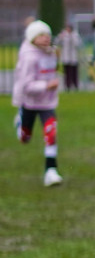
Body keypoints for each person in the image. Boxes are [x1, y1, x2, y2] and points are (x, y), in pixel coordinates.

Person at [13, 21, 64, 187]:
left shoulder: (51, 53)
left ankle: (51, 170)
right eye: (41, 35)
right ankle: (20, 123)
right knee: (24, 138)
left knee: (51, 132)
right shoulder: (29, 57)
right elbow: (26, 86)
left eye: (47, 35)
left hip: (47, 103)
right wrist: (46, 86)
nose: (45, 38)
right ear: (33, 38)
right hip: (30, 102)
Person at [56, 23, 83, 91]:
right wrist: (60, 37)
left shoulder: (75, 35)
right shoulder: (64, 34)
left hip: (73, 56)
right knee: (67, 72)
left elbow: (78, 44)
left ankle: (75, 85)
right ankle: (67, 86)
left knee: (74, 72)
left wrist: (72, 37)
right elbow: (57, 42)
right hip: (66, 56)